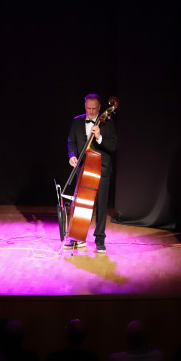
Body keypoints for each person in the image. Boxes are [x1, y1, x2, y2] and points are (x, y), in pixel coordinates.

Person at [65, 93, 117, 253]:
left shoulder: (107, 123)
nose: (91, 112)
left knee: (101, 205)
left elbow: (113, 146)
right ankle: (78, 237)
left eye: (94, 109)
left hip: (101, 169)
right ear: (85, 106)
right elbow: (71, 142)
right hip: (83, 168)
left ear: (100, 107)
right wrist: (72, 156)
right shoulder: (77, 121)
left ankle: (100, 239)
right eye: (88, 108)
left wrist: (99, 137)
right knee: (81, 204)